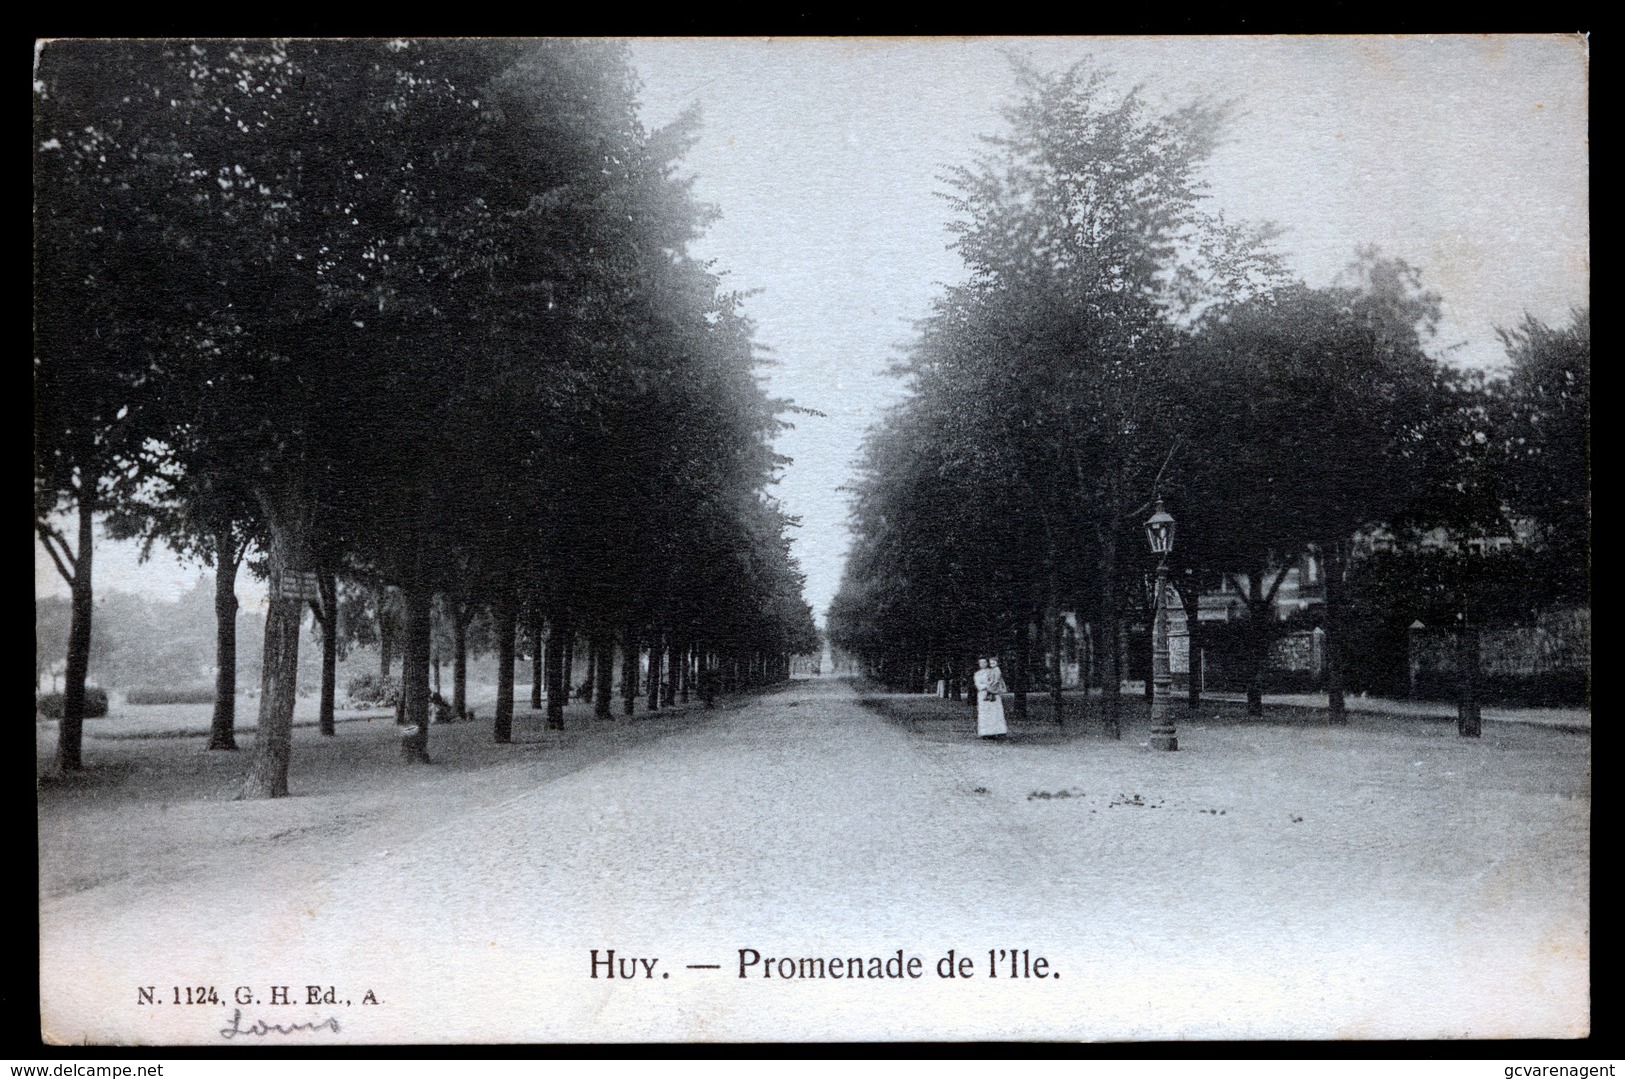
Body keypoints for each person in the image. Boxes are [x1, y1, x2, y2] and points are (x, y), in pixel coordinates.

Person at [973, 657, 1008, 739]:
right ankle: (985, 733)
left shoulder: (993, 671)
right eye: (981, 663)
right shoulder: (977, 674)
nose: (983, 664)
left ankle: (998, 731)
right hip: (983, 694)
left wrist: (994, 687)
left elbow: (998, 680)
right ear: (979, 664)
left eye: (985, 662)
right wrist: (987, 686)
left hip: (994, 694)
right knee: (985, 714)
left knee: (996, 713)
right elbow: (978, 685)